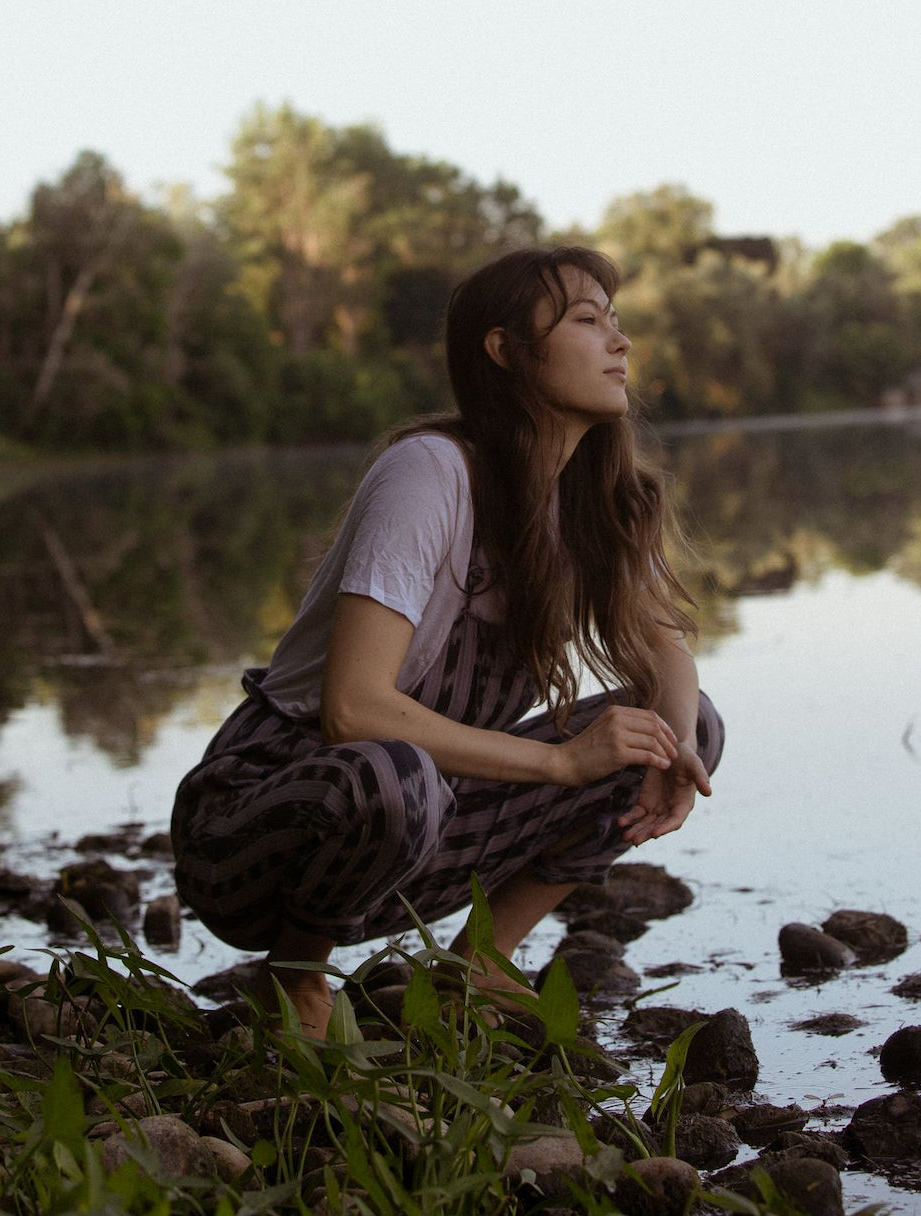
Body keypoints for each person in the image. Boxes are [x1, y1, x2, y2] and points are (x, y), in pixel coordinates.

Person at [170, 246, 723, 1036]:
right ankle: (295, 975)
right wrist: (563, 761)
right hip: (261, 832)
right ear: (505, 351)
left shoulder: (590, 500)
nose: (620, 342)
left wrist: (675, 756)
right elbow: (354, 711)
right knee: (394, 774)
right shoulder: (429, 474)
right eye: (587, 320)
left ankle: (478, 965)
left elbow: (665, 649)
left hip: (428, 830)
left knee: (689, 721)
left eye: (617, 321)